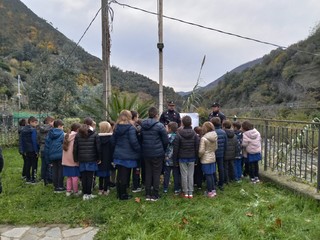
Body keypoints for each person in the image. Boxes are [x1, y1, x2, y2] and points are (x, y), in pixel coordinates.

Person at [141, 106, 168, 201]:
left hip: (146, 152)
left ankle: (148, 193)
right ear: (157, 115)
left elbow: (141, 138)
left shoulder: (143, 125)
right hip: (157, 153)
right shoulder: (160, 126)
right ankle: (155, 194)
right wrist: (162, 149)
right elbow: (165, 140)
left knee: (148, 172)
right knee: (156, 173)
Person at [112, 110, 141, 200]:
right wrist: (139, 150)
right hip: (128, 154)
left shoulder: (116, 127)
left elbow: (112, 141)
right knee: (125, 175)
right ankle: (123, 195)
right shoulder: (130, 127)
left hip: (118, 153)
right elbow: (133, 141)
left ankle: (119, 193)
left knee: (120, 174)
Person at [73, 117, 101, 200]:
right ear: (92, 124)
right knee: (90, 177)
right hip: (91, 159)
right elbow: (98, 148)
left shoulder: (78, 134)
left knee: (83, 176)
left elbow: (75, 148)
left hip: (81, 159)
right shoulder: (95, 134)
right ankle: (88, 194)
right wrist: (99, 158)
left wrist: (76, 159)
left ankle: (85, 193)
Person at [172, 115, 199, 199]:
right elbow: (197, 147)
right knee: (191, 175)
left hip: (182, 157)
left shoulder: (179, 134)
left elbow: (175, 148)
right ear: (191, 123)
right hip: (192, 157)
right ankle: (190, 192)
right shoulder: (195, 134)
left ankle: (185, 192)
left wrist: (175, 160)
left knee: (184, 175)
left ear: (182, 123)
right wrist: (197, 159)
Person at [44, 119, 65, 193]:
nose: (63, 128)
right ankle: (60, 186)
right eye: (62, 126)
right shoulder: (63, 134)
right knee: (61, 170)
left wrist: (47, 159)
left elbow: (46, 147)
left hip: (52, 155)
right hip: (61, 155)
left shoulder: (49, 134)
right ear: (59, 126)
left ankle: (56, 186)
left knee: (55, 170)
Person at [198, 121, 218, 198]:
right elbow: (216, 147)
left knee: (208, 175)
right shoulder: (215, 136)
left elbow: (201, 151)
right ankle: (213, 190)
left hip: (205, 158)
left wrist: (199, 156)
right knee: (212, 174)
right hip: (212, 157)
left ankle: (209, 191)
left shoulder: (204, 138)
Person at [62, 122, 81, 196]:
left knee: (69, 177)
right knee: (75, 176)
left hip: (66, 160)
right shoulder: (76, 136)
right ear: (77, 129)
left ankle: (68, 191)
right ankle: (75, 191)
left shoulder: (66, 135)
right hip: (73, 160)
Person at [20, 116, 39, 184]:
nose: (36, 124)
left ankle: (27, 178)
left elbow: (21, 141)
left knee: (28, 164)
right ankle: (33, 179)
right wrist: (36, 151)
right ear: (31, 122)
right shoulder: (33, 130)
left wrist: (23, 150)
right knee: (34, 165)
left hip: (26, 150)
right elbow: (34, 141)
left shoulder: (23, 130)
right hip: (33, 150)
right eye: (35, 122)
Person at [163, 121, 181, 194]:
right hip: (175, 158)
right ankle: (176, 188)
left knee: (167, 173)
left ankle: (165, 188)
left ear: (169, 128)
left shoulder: (166, 136)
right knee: (176, 173)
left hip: (167, 157)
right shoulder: (178, 136)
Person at [97, 121, 114, 196]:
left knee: (101, 175)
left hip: (100, 158)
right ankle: (106, 189)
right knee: (107, 175)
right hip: (108, 158)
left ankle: (100, 189)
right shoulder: (111, 137)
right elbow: (112, 149)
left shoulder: (97, 137)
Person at [210, 117, 227, 191]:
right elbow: (226, 143)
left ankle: (214, 181)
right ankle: (221, 183)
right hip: (221, 153)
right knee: (221, 168)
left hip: (213, 153)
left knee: (213, 168)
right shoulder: (223, 132)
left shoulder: (211, 133)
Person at [37, 116, 55, 185]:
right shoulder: (52, 129)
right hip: (49, 147)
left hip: (42, 147)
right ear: (50, 122)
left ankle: (43, 178)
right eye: (53, 121)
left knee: (43, 164)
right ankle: (50, 179)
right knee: (50, 164)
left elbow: (37, 139)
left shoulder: (39, 128)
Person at [130, 110, 143, 193]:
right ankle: (136, 185)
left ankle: (129, 184)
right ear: (134, 117)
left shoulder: (126, 125)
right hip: (136, 152)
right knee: (136, 169)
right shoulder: (136, 127)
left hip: (129, 151)